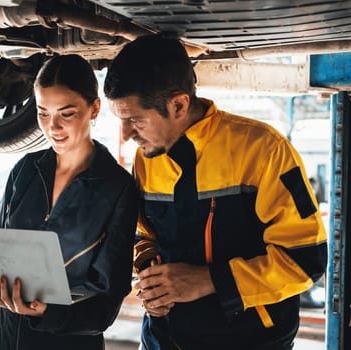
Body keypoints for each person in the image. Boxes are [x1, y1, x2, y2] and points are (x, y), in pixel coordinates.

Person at [103, 35, 328, 350]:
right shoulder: (148, 157)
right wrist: (151, 279)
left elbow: (304, 261)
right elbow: (144, 237)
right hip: (164, 340)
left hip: (251, 341)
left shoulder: (263, 151)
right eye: (121, 121)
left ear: (178, 104)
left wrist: (209, 280)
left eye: (135, 121)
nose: (126, 135)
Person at [0, 54, 139, 350]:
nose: (52, 127)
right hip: (3, 332)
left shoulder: (118, 187)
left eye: (66, 114)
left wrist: (49, 312)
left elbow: (108, 299)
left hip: (68, 339)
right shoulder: (26, 169)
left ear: (94, 109)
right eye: (42, 113)